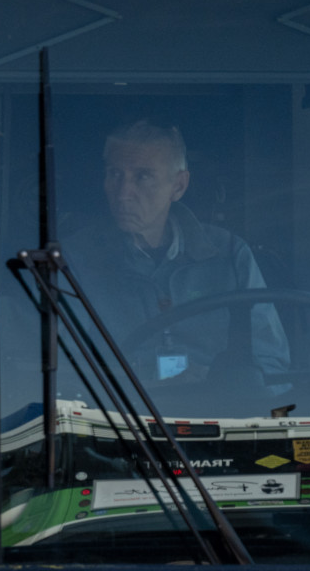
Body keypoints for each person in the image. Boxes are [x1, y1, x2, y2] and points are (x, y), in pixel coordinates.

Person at [63, 119, 290, 390]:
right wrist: (141, 384)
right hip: (121, 418)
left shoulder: (229, 254)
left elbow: (272, 365)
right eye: (115, 174)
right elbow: (56, 369)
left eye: (142, 176)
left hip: (222, 415)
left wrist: (216, 381)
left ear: (179, 186)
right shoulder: (75, 259)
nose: (123, 193)